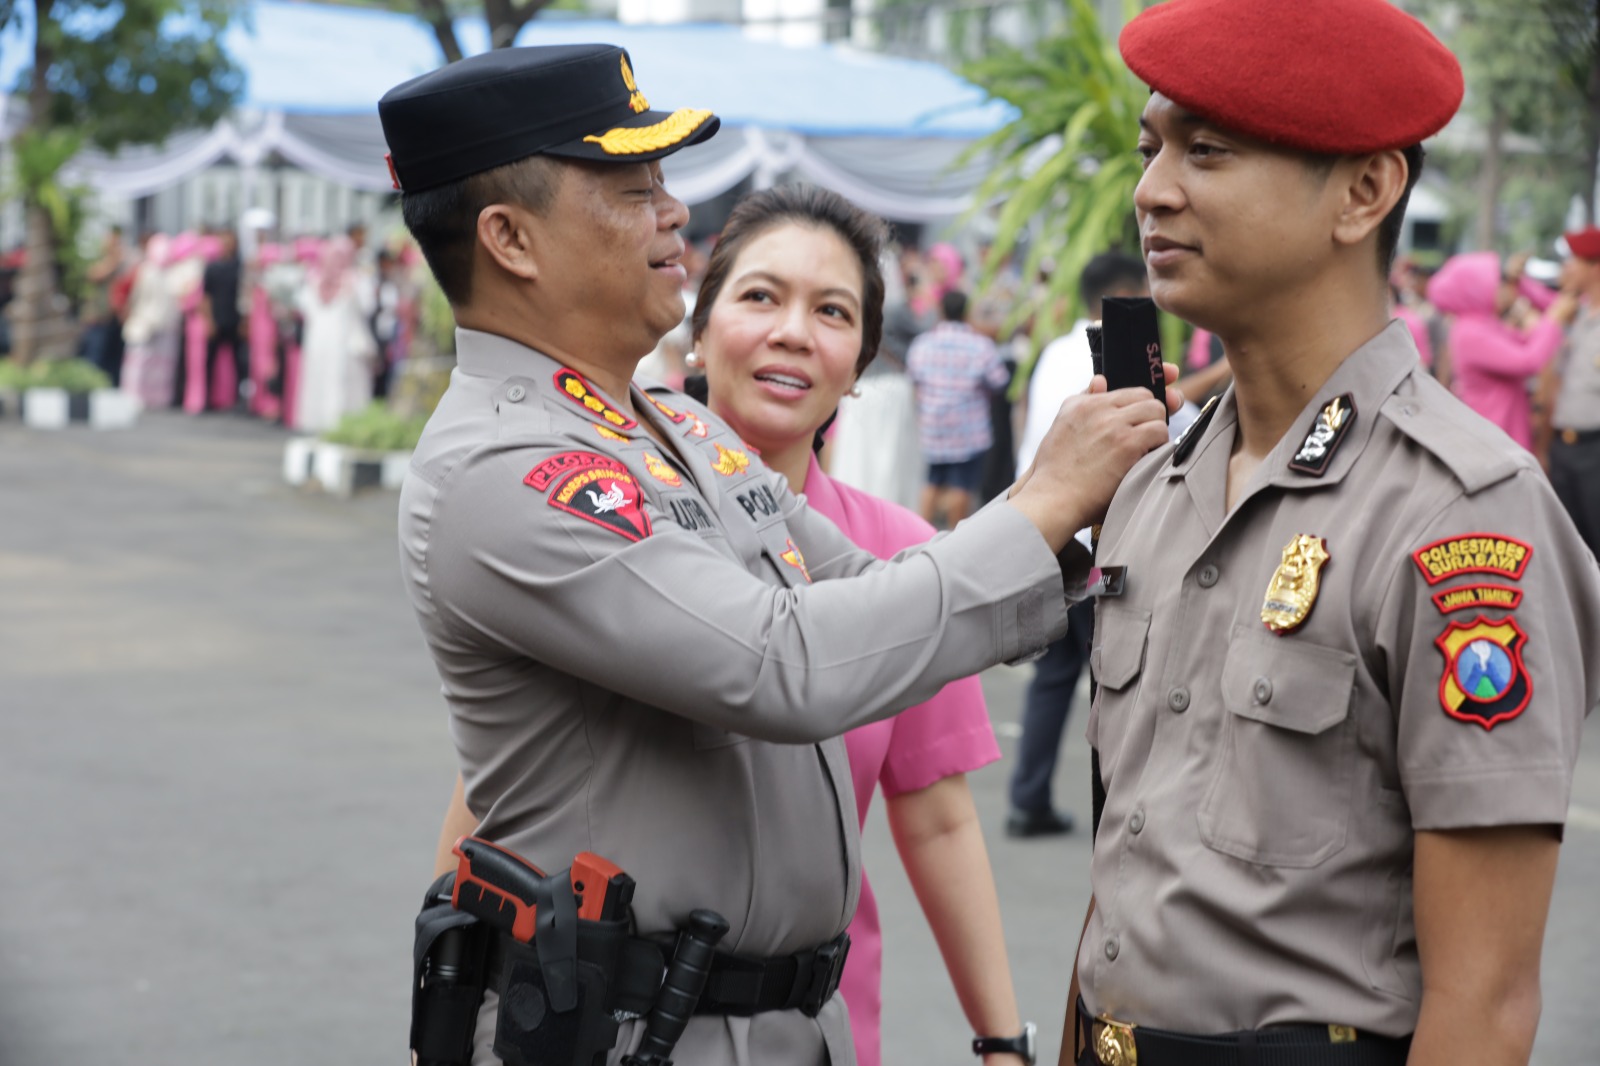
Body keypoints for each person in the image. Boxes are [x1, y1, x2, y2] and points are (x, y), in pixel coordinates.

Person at [380, 43, 1177, 1066]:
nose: (674, 213)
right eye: (633, 190)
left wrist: (1062, 512)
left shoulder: (665, 422)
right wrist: (1049, 495)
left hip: (778, 1023)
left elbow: (857, 589)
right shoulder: (508, 470)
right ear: (510, 238)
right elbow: (782, 661)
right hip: (634, 1032)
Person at [1067, 3, 1600, 1066]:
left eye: (1206, 151)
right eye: (1150, 148)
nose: (1151, 190)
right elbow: (1122, 870)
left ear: (1363, 193)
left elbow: (1484, 1003)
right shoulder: (1152, 483)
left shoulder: (1463, 514)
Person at [433, 183, 1029, 1066]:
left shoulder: (905, 565)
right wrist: (442, 1004)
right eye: (760, 297)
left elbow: (938, 821)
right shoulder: (601, 511)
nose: (794, 331)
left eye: (832, 311)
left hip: (814, 1022)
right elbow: (494, 798)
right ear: (699, 330)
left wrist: (1000, 1038)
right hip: (606, 1017)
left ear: (860, 364)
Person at [1005, 252, 1147, 839]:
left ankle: (1029, 797)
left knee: (1058, 674)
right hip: (1094, 537)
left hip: (1040, 531)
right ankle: (1114, 816)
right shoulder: (1110, 351)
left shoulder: (1054, 351)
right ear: (1123, 293)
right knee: (1114, 680)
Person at [1425, 249, 1578, 451]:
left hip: (1500, 430)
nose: (1500, 288)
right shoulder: (1470, 331)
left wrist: (1526, 288)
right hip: (1495, 435)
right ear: (1474, 289)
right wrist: (1554, 319)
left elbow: (1525, 341)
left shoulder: (1480, 323)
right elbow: (1528, 360)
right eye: (1495, 282)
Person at [907, 290, 1013, 526]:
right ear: (966, 313)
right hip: (967, 430)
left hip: (933, 428)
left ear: (941, 311)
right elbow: (1000, 380)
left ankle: (919, 536)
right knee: (961, 486)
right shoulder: (979, 346)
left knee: (933, 481)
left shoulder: (922, 344)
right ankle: (954, 539)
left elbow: (914, 379)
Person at [1547, 225, 1600, 556]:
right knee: (1571, 550)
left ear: (1595, 266)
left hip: (1595, 451)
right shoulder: (1578, 316)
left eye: (1574, 260)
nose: (1566, 268)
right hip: (1563, 447)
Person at [292, 235, 376, 433]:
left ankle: (344, 428)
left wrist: (353, 289)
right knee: (319, 384)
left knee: (345, 388)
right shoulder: (314, 280)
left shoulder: (356, 281)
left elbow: (368, 307)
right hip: (319, 345)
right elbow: (303, 307)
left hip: (347, 347)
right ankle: (320, 426)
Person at [199, 228, 246, 410]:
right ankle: (207, 400)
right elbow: (206, 296)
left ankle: (238, 400)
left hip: (235, 320)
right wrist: (209, 321)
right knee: (209, 361)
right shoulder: (212, 267)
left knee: (239, 362)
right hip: (216, 320)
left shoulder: (240, 266)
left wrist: (244, 322)